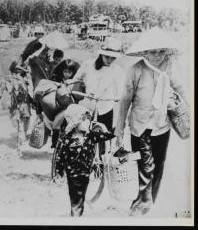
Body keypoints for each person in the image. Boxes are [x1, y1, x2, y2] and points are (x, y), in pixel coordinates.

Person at [114, 27, 186, 216]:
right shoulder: (135, 69)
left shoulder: (169, 66)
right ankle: (143, 202)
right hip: (140, 125)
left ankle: (146, 201)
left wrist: (181, 101)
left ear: (166, 51)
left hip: (162, 125)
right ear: (144, 52)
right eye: (152, 51)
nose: (157, 55)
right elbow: (125, 101)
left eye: (161, 51)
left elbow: (181, 89)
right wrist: (119, 129)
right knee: (145, 165)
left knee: (158, 165)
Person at [73, 37, 125, 133]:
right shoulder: (88, 64)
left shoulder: (117, 70)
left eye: (113, 58)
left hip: (106, 106)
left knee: (104, 135)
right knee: (83, 132)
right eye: (107, 57)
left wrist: (119, 97)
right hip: (88, 104)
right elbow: (76, 79)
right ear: (101, 54)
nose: (110, 60)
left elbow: (121, 88)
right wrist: (79, 88)